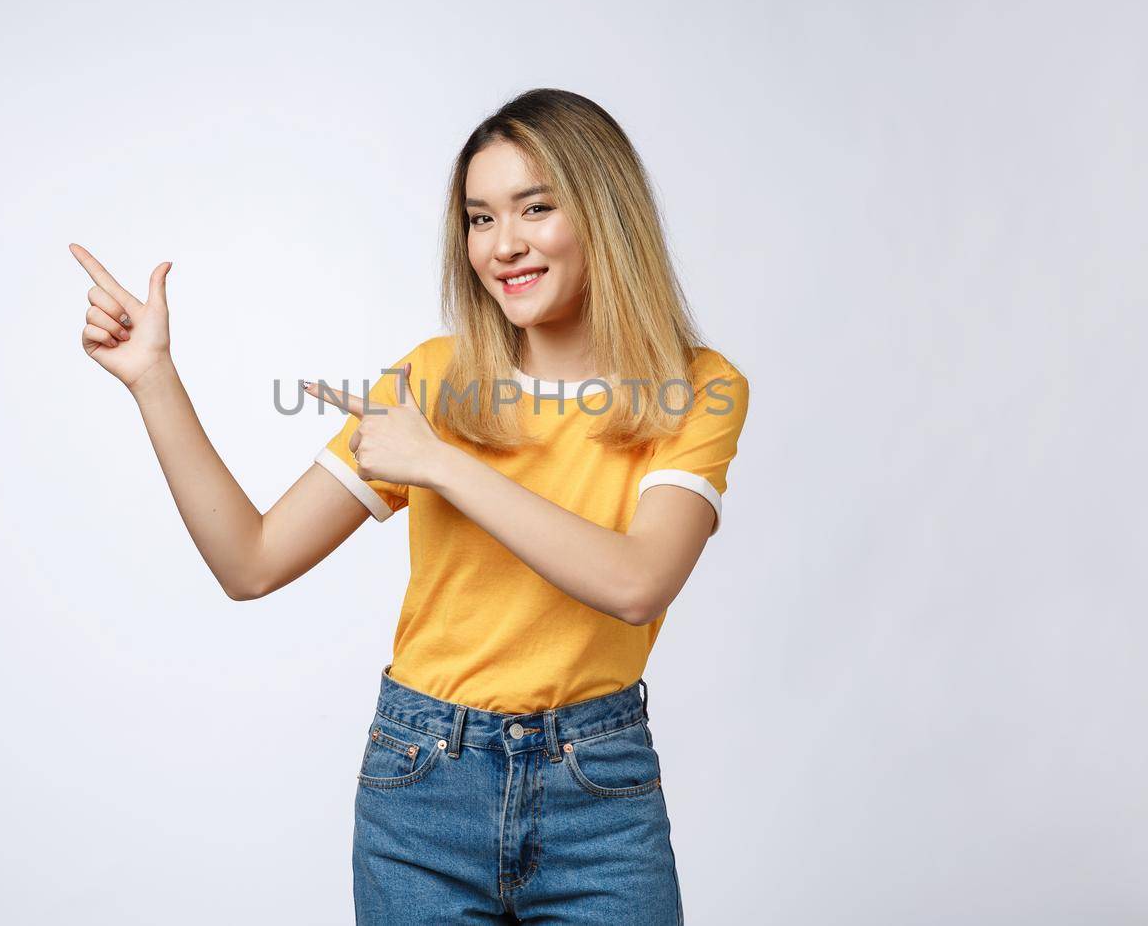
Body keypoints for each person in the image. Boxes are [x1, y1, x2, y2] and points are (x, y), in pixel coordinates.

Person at [69, 88, 749, 924]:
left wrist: (442, 465)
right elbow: (248, 561)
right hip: (424, 786)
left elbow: (638, 581)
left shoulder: (697, 390)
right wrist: (153, 379)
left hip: (599, 793)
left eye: (535, 208)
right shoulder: (433, 379)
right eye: (480, 218)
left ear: (604, 213)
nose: (504, 245)